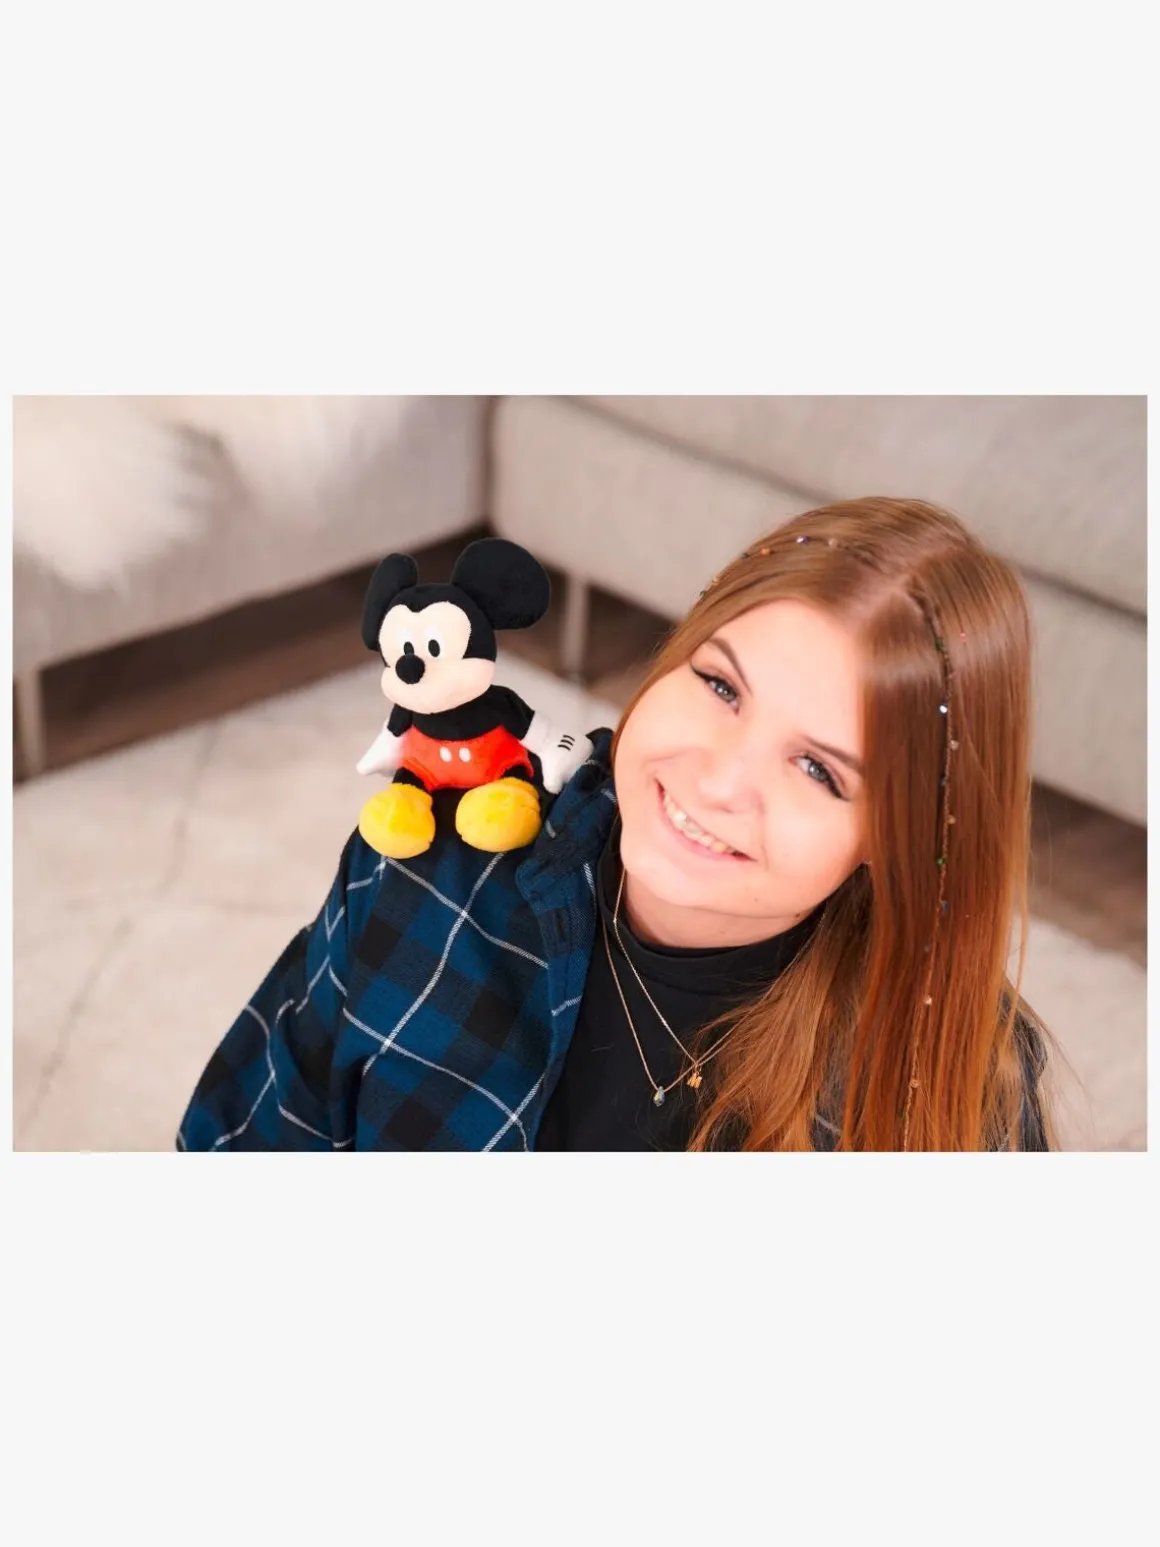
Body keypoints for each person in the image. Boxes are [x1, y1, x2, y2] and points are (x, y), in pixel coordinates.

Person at [178, 497, 1055, 1152]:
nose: (718, 780)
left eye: (819, 769)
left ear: (900, 839)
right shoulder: (427, 862)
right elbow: (246, 1138)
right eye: (720, 686)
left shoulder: (947, 1072)